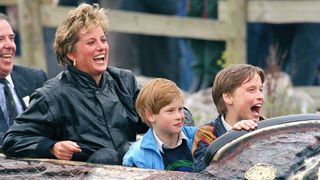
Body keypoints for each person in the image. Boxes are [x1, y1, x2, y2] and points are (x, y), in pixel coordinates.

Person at [2, 3, 149, 165]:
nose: (101, 47)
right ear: (71, 53)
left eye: (103, 40)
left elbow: (162, 108)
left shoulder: (124, 80)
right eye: (91, 42)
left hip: (132, 171)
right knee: (106, 156)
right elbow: (13, 140)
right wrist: (52, 147)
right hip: (84, 173)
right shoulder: (53, 95)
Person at [192, 64, 265, 172]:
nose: (260, 96)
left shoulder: (269, 129)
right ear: (228, 97)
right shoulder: (206, 133)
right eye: (251, 90)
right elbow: (200, 171)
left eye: (261, 90)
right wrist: (231, 137)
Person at [123, 78, 197, 172]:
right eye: (170, 111)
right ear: (150, 115)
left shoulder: (200, 138)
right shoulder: (137, 156)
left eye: (180, 109)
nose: (179, 116)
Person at [0, 13, 48, 145]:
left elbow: (54, 127)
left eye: (11, 38)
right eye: (0, 39)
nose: (10, 45)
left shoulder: (36, 79)